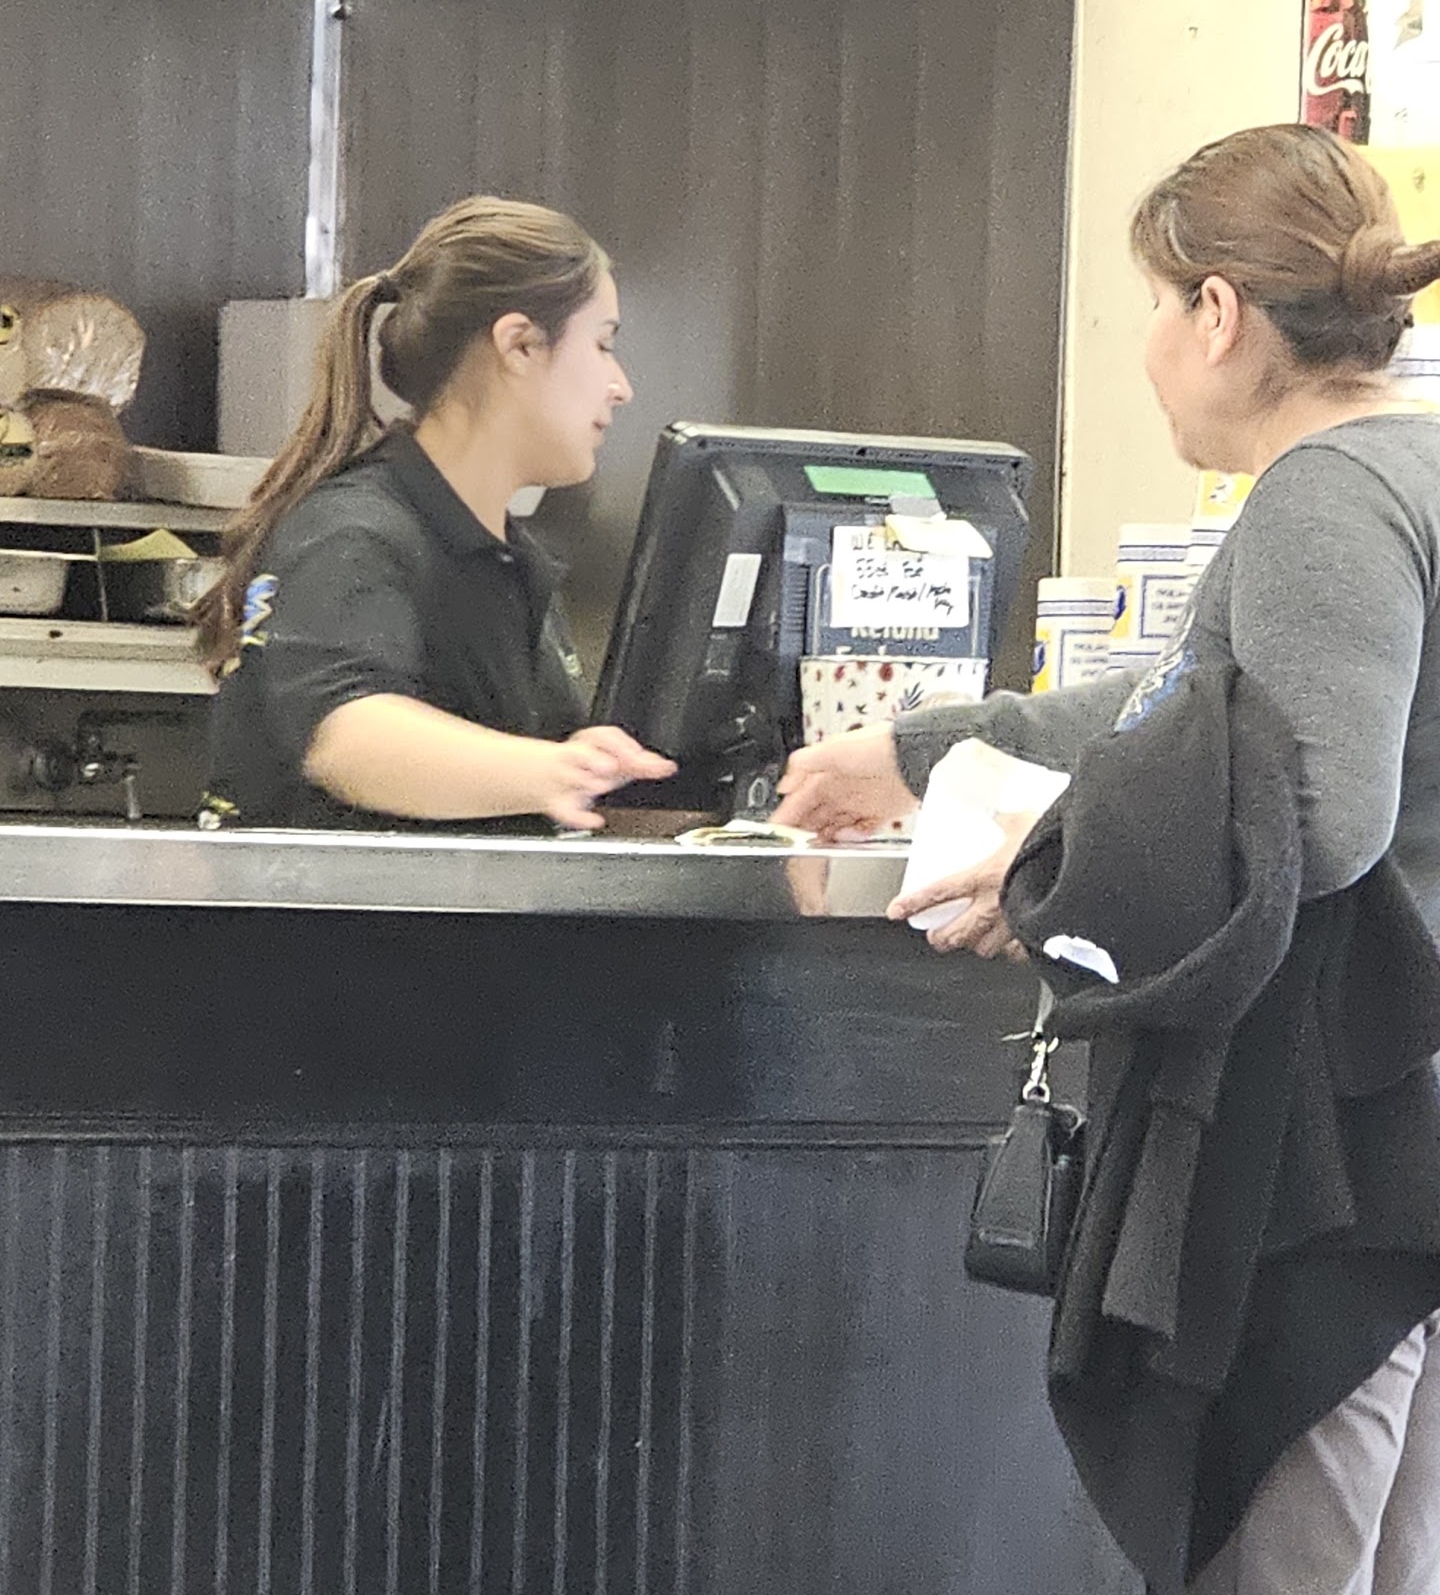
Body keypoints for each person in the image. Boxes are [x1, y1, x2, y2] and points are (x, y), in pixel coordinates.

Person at [774, 123, 1440, 1595]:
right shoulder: (1408, 471)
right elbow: (1200, 714)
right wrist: (930, 748)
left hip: (1337, 1165)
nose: (1147, 345)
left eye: (1154, 302)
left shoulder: (1330, 493)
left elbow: (1319, 811)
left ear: (1219, 313)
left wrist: (1058, 865)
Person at [195, 195, 675, 831]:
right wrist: (551, 771)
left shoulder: (510, 559)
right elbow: (350, 738)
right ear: (520, 345)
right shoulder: (353, 533)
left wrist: (591, 768)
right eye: (603, 343)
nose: (621, 387)